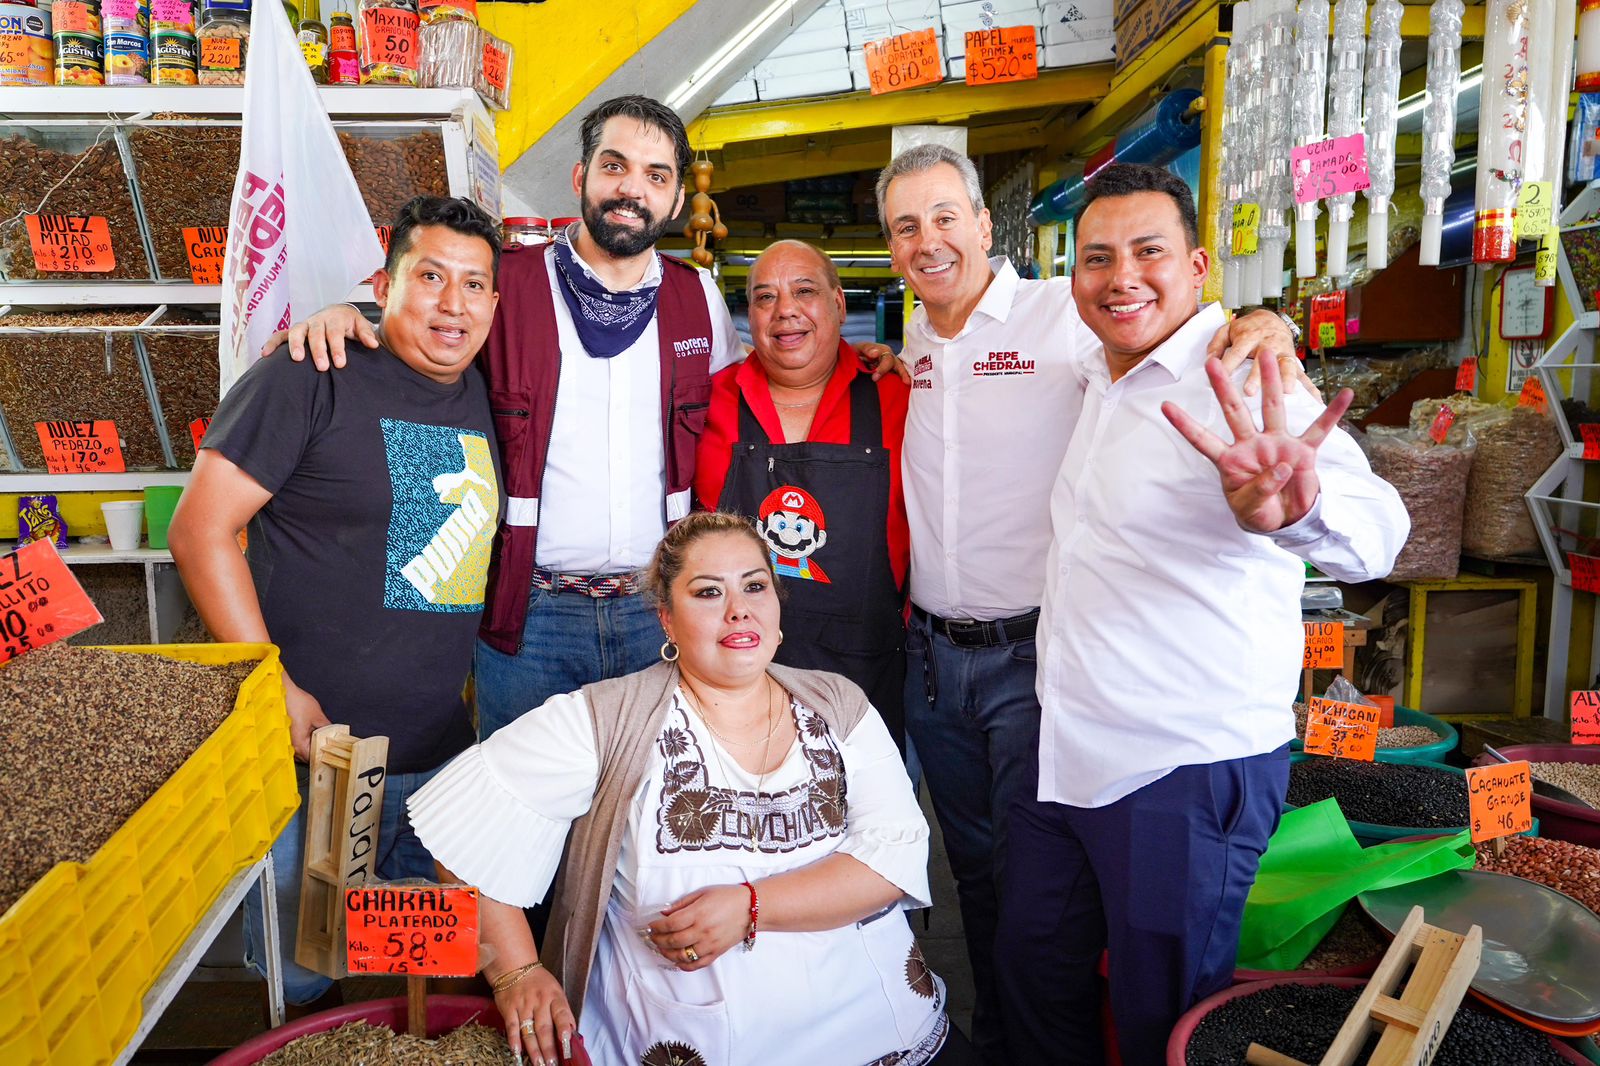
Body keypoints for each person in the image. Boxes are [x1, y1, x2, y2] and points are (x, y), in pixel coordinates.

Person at [875, 142, 1301, 1060]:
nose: (930, 240)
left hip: (1039, 660)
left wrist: (1262, 323)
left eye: (947, 217)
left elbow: (1171, 339)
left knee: (1069, 910)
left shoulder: (1061, 318)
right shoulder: (908, 343)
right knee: (989, 883)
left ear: (988, 227)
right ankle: (1003, 1039)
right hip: (936, 663)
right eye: (907, 226)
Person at [994, 164, 1408, 1065]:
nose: (1122, 277)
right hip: (1065, 745)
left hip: (1181, 764)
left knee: (1167, 1013)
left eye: (1149, 252)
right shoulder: (1099, 368)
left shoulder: (1251, 380)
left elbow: (1380, 535)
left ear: (1200, 266)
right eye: (1098, 258)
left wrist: (1292, 510)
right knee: (1034, 968)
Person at [407, 512, 975, 1065]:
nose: (738, 610)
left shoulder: (838, 704)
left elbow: (893, 858)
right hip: (688, 1037)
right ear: (666, 621)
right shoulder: (610, 718)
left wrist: (750, 908)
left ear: (777, 611)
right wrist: (516, 973)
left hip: (877, 1032)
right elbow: (463, 823)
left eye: (755, 586)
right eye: (708, 593)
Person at [270, 95, 745, 740]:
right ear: (580, 178)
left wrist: (868, 360)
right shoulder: (506, 286)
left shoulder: (699, 298)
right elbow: (423, 343)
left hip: (653, 613)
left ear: (677, 198)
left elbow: (746, 412)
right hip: (529, 616)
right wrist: (344, 318)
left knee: (644, 820)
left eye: (657, 176)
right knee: (517, 824)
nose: (632, 189)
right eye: (615, 166)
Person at [167, 196, 505, 1012]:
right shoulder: (311, 371)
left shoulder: (489, 391)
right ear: (386, 284)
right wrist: (271, 683)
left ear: (496, 303)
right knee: (306, 980)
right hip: (311, 761)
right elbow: (200, 532)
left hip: (435, 766)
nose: (452, 304)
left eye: (474, 284)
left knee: (418, 988)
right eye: (430, 277)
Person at [694, 239, 911, 751]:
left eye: (804, 291)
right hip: (737, 681)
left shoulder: (896, 393)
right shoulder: (708, 399)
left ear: (838, 304)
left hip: (867, 678)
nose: (785, 310)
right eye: (765, 297)